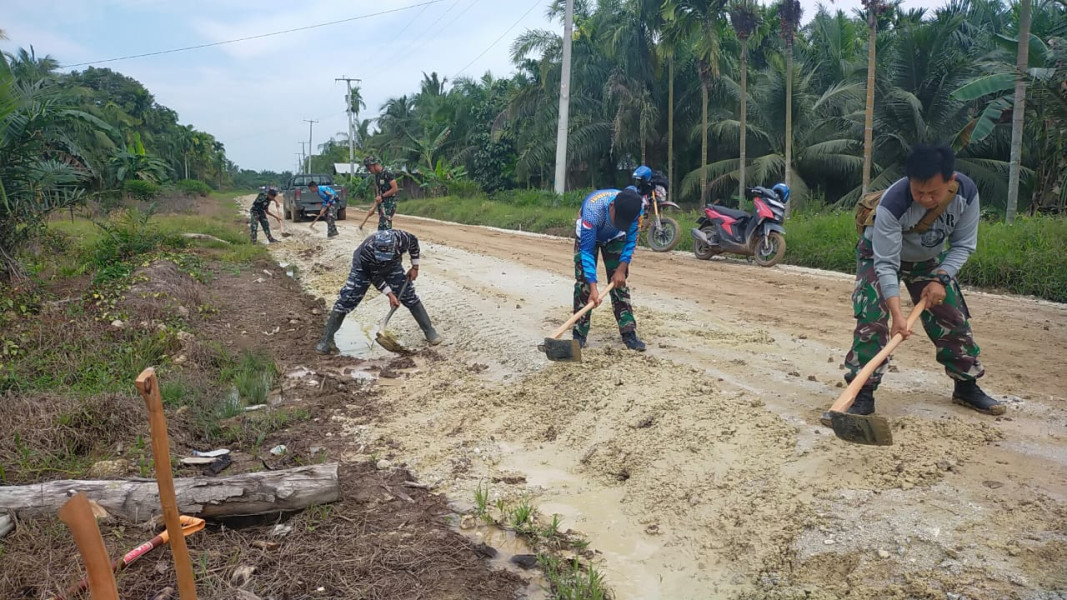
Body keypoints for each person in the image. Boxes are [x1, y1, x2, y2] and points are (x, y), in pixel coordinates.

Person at [821, 143, 1004, 427]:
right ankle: (862, 393)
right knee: (873, 319)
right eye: (919, 192)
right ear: (909, 182)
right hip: (878, 255)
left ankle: (966, 386)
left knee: (953, 318)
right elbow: (886, 265)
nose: (925, 198)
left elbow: (964, 245)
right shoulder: (894, 202)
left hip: (930, 260)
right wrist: (897, 316)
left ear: (950, 181)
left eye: (933, 192)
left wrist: (941, 279)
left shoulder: (966, 194)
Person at [316, 229, 443, 354]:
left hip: (393, 266)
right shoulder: (367, 252)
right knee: (348, 299)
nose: (383, 260)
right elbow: (374, 276)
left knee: (408, 295)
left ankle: (430, 332)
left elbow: (414, 244)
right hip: (364, 269)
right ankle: (327, 341)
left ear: (394, 247)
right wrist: (390, 294)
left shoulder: (402, 239)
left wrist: (415, 267)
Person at [572, 186, 645, 351]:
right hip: (589, 236)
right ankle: (579, 335)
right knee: (583, 284)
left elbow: (631, 240)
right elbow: (587, 252)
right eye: (618, 220)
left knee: (619, 282)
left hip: (616, 238)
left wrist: (621, 268)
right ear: (612, 207)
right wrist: (593, 287)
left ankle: (628, 332)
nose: (619, 224)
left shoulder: (636, 209)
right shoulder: (593, 212)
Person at [365, 156, 400, 230]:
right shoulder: (377, 175)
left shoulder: (387, 173)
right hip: (381, 205)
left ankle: (387, 241)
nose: (369, 171)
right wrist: (373, 208)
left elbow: (395, 188)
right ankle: (384, 240)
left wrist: (382, 196)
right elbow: (378, 193)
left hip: (389, 204)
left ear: (374, 165)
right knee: (382, 226)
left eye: (369, 168)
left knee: (384, 226)